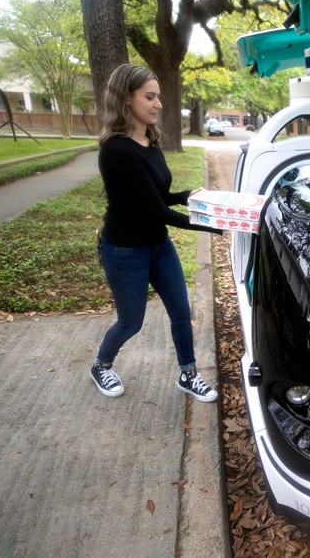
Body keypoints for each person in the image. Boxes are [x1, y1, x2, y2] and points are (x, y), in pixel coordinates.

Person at [90, 63, 219, 403]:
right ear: (126, 98)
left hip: (157, 246)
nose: (158, 103)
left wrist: (186, 196)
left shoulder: (150, 140)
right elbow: (157, 213)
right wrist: (212, 223)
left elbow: (158, 197)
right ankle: (101, 365)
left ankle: (188, 374)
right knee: (131, 322)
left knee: (181, 311)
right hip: (124, 251)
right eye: (150, 96)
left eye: (158, 96)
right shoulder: (117, 150)